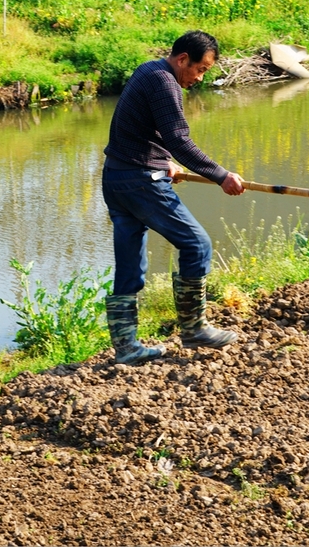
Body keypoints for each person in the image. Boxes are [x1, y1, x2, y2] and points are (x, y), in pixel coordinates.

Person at [101, 30, 245, 366]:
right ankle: (194, 330)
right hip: (141, 183)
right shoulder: (166, 83)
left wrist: (163, 161)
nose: (199, 77)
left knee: (130, 267)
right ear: (183, 59)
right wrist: (221, 175)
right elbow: (179, 140)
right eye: (200, 70)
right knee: (197, 245)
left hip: (117, 178)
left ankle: (126, 348)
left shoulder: (147, 70)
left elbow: (136, 130)